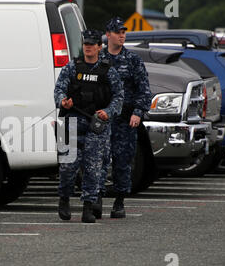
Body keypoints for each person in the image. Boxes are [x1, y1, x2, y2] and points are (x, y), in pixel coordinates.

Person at [54, 29, 123, 223]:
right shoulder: (72, 67)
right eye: (86, 44)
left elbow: (119, 96)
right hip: (73, 122)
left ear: (99, 47)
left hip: (96, 124)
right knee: (67, 167)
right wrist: (62, 102)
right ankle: (64, 199)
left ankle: (88, 207)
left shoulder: (108, 70)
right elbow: (59, 89)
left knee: (93, 168)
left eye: (92, 44)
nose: (88, 47)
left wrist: (108, 112)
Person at [97, 17, 152, 219]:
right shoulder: (98, 58)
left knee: (122, 161)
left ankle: (119, 201)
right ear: (108, 34)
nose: (122, 35)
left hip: (124, 119)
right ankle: (97, 198)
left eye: (124, 32)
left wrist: (138, 112)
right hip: (102, 118)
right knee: (98, 160)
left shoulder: (132, 60)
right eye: (118, 32)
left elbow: (144, 90)